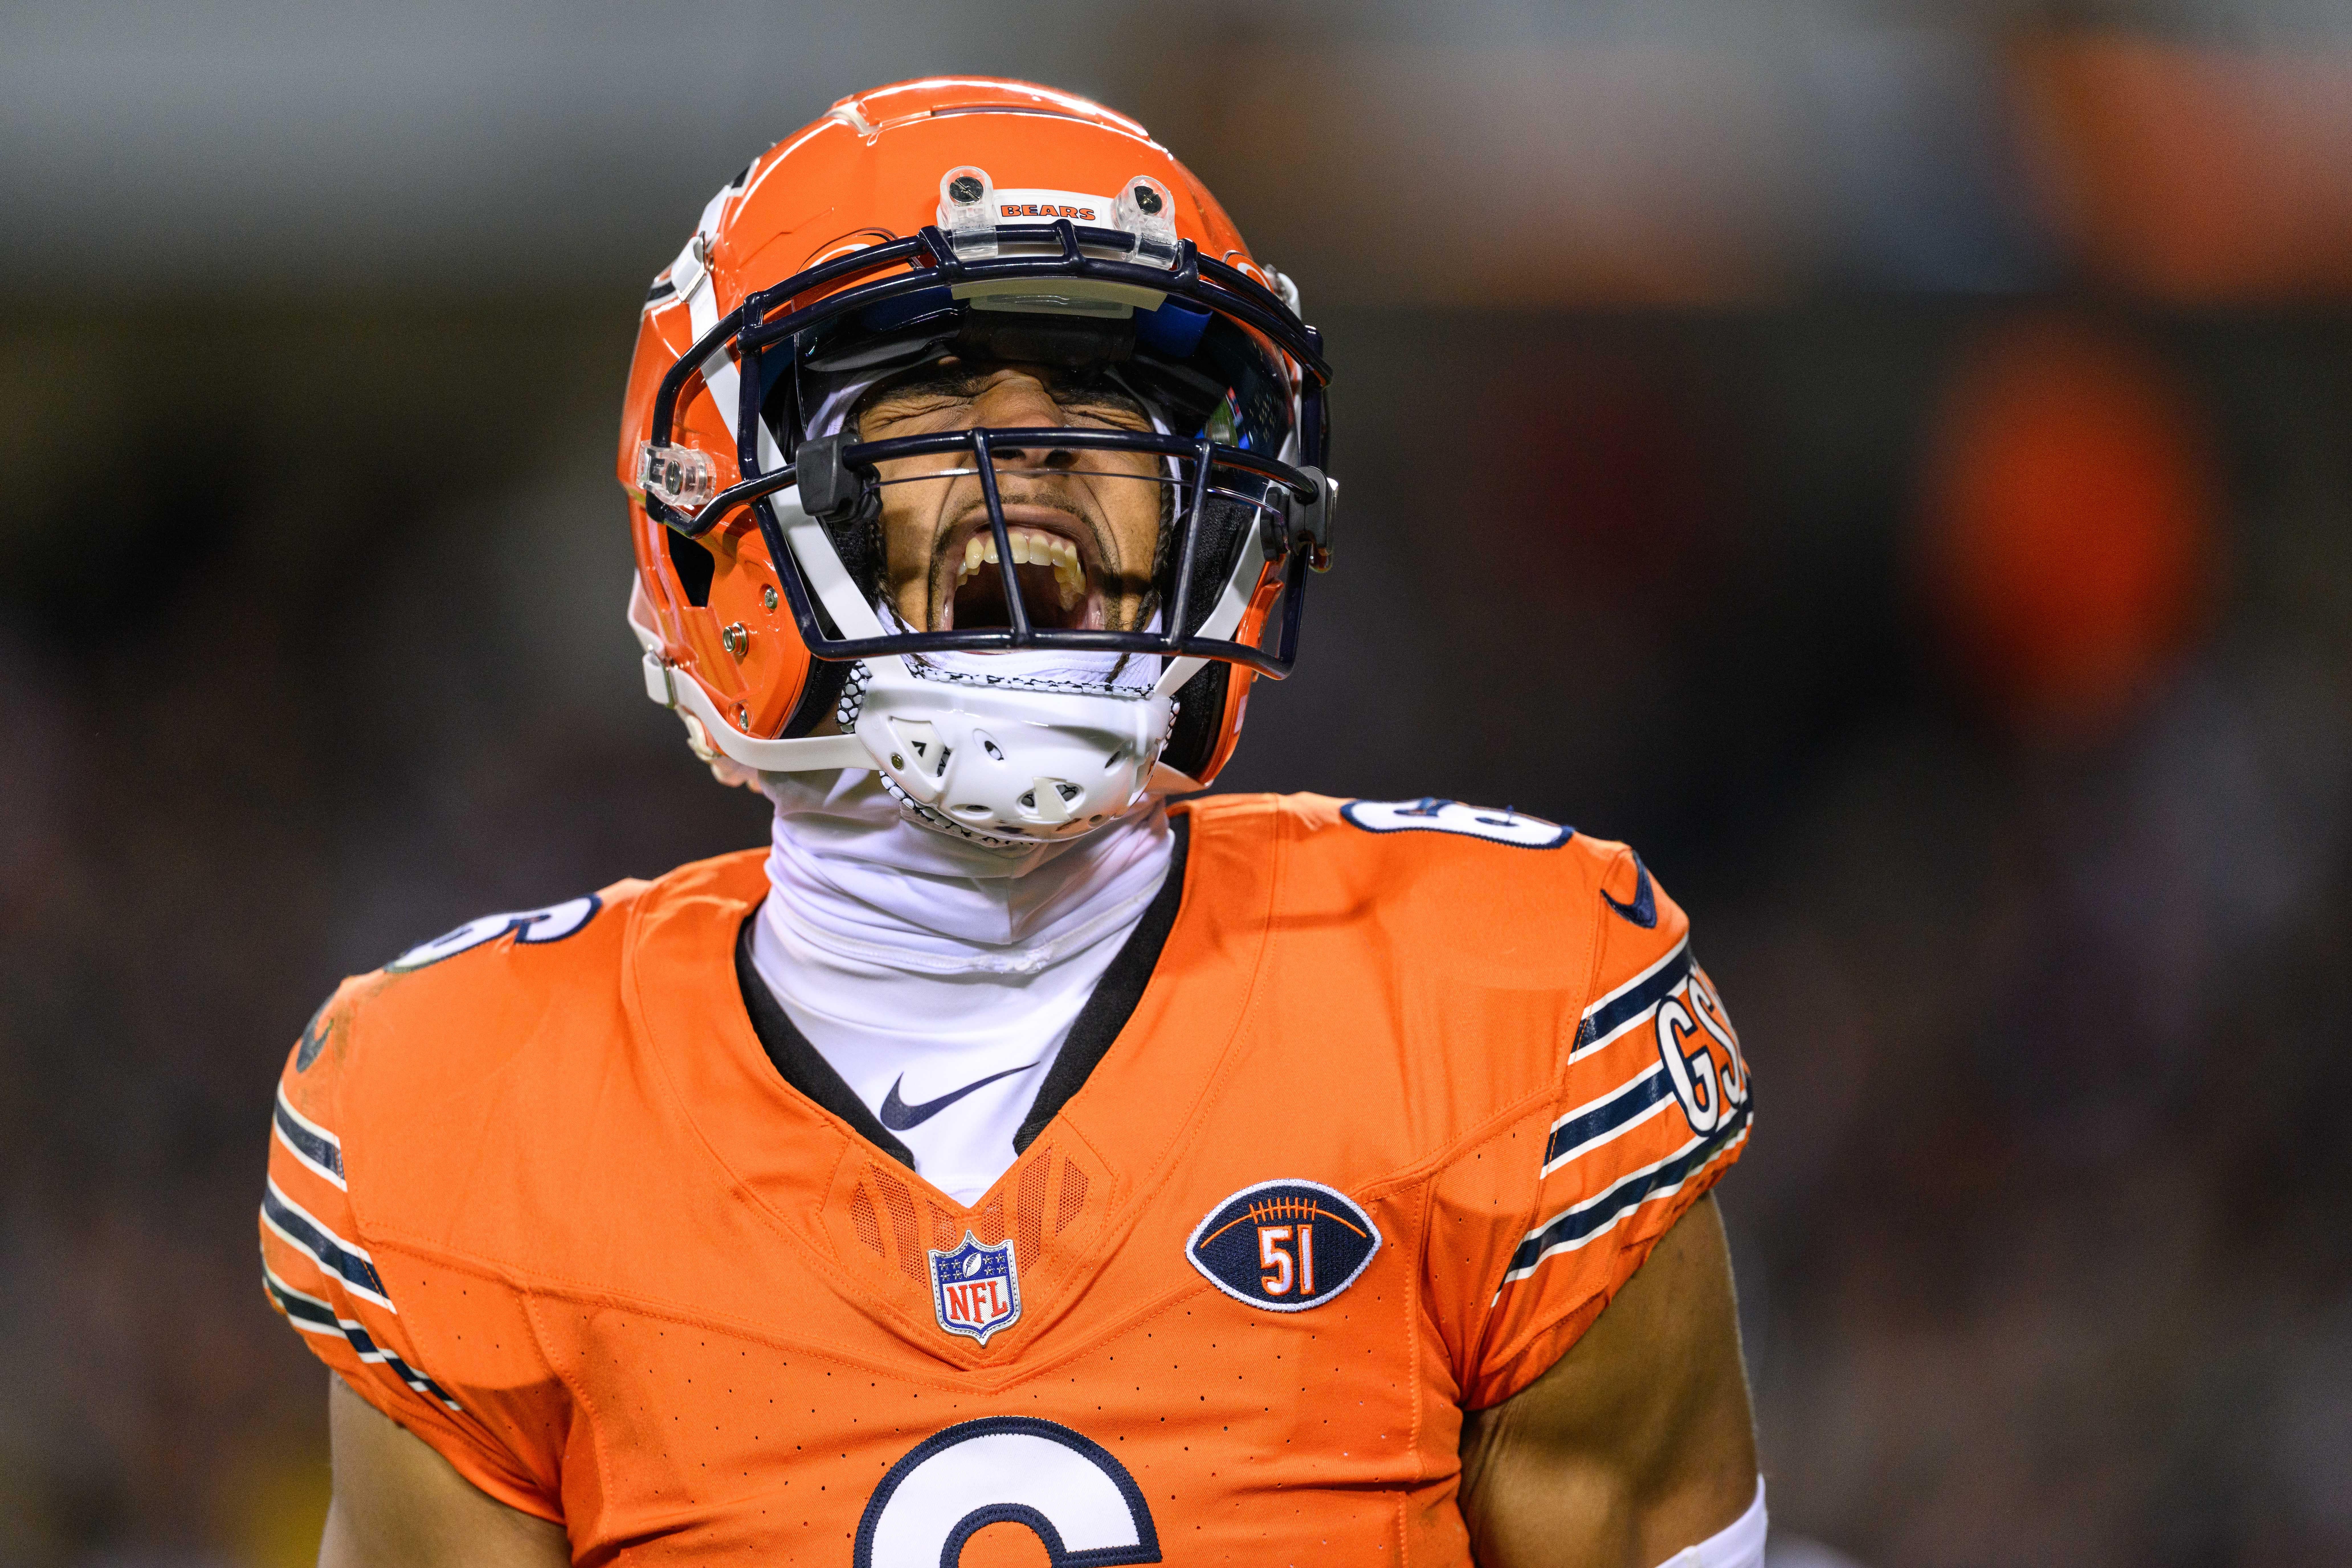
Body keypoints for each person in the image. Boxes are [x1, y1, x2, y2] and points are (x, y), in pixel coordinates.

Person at [260, 77, 1763, 1568]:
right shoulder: (470, 1113)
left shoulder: (1499, 1008)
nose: (1035, 437)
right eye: (932, 382)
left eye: (1108, 391)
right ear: (725, 509)